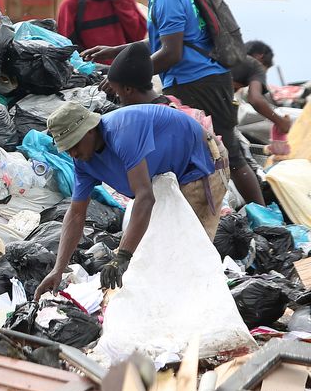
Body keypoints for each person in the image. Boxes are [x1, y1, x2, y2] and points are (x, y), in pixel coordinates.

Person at [82, 0, 264, 205]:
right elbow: (158, 44)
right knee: (211, 152)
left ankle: (260, 218)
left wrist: (125, 78)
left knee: (227, 153)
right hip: (195, 80)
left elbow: (171, 54)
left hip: (198, 82)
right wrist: (116, 50)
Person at [34, 102, 228, 299]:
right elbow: (76, 213)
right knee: (158, 254)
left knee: (188, 256)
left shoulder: (122, 134)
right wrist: (58, 269)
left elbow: (145, 197)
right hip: (165, 181)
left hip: (198, 168)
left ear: (90, 130)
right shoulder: (83, 162)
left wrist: (122, 257)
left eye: (74, 144)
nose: (73, 154)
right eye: (67, 150)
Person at [231, 52, 292, 135]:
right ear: (260, 57)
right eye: (265, 70)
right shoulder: (256, 67)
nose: (264, 75)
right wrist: (281, 123)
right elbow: (255, 99)